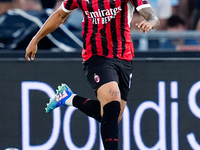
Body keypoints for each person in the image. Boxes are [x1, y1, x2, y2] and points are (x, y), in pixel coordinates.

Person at [25, 0, 160, 149]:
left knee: (113, 115)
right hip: (96, 57)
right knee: (112, 102)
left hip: (124, 57)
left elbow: (152, 16)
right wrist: (35, 39)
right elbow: (59, 16)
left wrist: (150, 23)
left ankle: (69, 98)